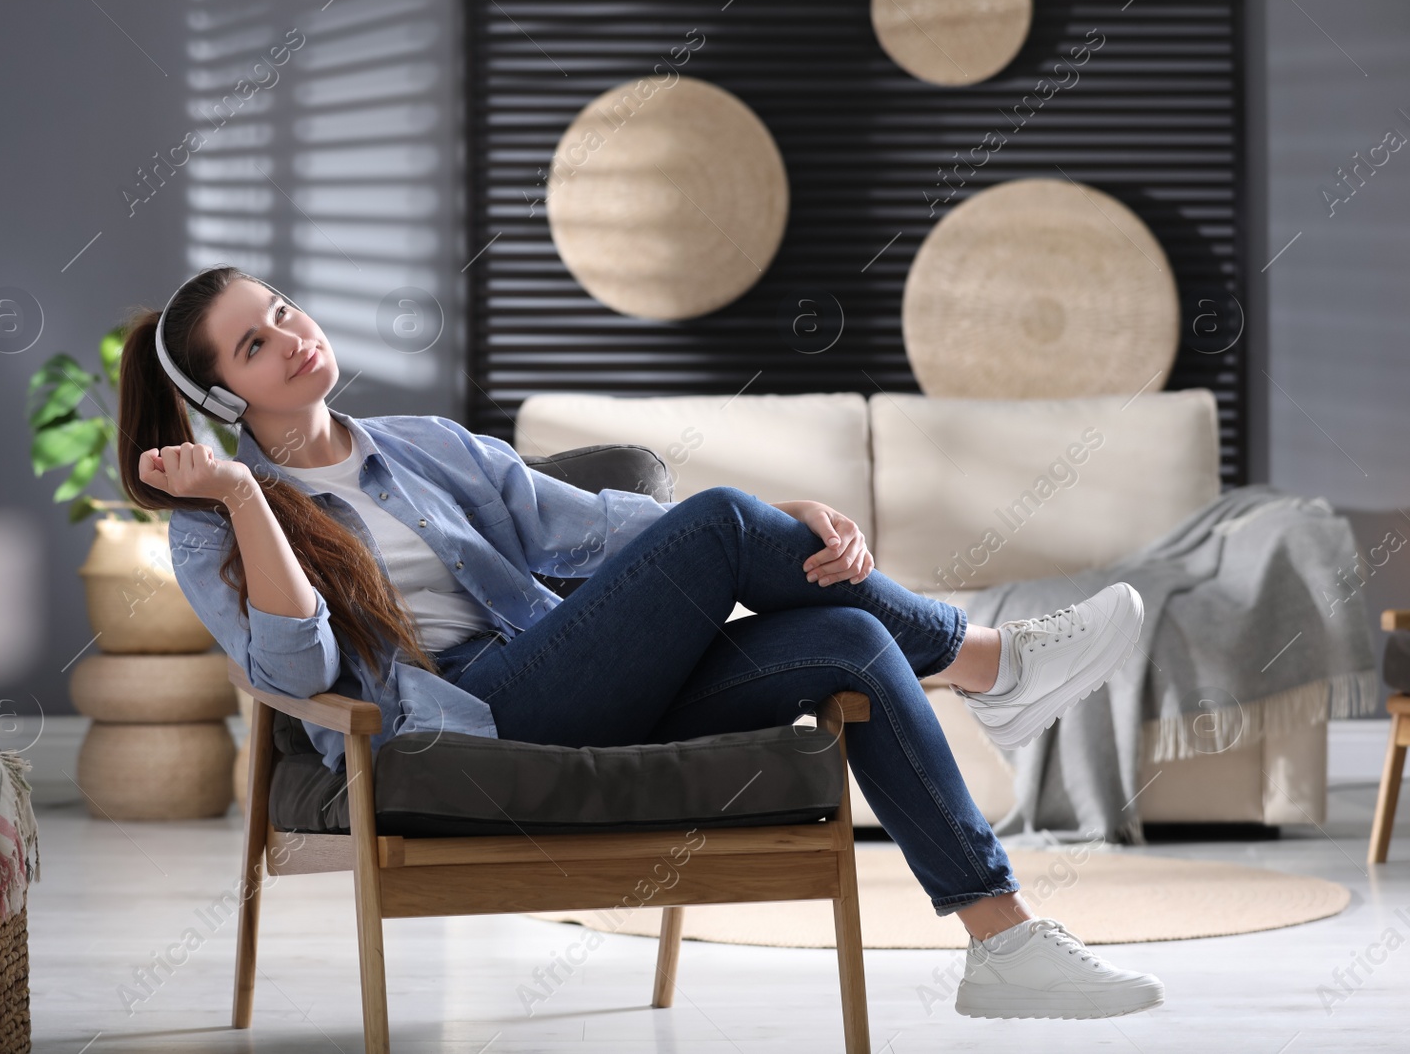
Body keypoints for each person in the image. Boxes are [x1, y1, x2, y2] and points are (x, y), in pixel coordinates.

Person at [116, 265, 1165, 1021]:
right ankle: (990, 665)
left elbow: (586, 532)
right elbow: (293, 673)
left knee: (843, 630)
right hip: (478, 719)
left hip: (569, 668)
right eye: (255, 345)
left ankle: (1003, 940)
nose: (292, 337)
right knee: (721, 522)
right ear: (222, 396)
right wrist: (249, 494)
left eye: (284, 312)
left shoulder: (426, 447)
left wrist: (773, 526)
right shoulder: (214, 522)